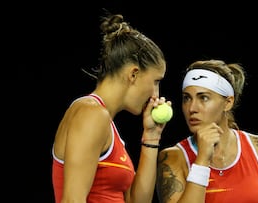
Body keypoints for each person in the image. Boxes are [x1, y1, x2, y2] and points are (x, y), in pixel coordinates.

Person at [52, 12, 171, 203]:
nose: (156, 95)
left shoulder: (105, 121)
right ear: (133, 74)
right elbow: (72, 200)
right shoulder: (91, 113)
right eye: (156, 81)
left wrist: (152, 137)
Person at [156, 59, 258, 203]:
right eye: (187, 98)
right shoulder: (172, 158)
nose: (192, 108)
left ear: (228, 103)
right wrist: (202, 159)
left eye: (203, 98)